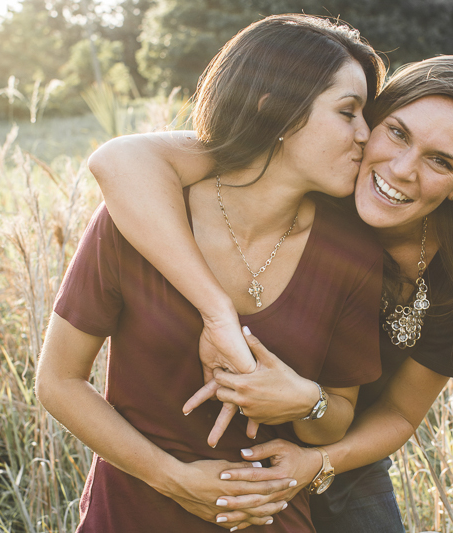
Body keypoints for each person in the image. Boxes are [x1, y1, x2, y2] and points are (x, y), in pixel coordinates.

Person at [90, 54, 453, 532]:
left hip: (345, 462)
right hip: (235, 458)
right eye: (398, 133)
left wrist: (316, 460)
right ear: (367, 123)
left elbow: (401, 413)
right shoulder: (307, 172)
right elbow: (121, 160)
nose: (403, 169)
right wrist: (216, 311)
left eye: (441, 161)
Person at [35, 14, 390, 532]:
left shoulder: (351, 255)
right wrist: (173, 479)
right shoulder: (137, 218)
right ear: (276, 109)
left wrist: (302, 400)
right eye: (347, 112)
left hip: (268, 520)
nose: (365, 135)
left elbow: (333, 423)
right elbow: (59, 382)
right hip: (131, 515)